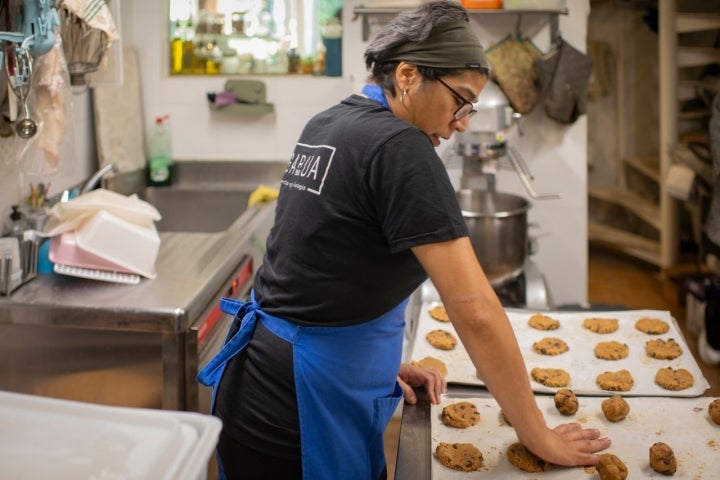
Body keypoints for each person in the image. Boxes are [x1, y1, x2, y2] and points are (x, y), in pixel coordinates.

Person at [198, 1, 611, 479]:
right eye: (461, 100)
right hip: (304, 405)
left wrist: (375, 365)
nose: (463, 123)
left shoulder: (330, 123)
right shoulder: (401, 146)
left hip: (265, 382)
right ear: (409, 75)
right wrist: (536, 433)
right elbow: (474, 309)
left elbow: (318, 269)